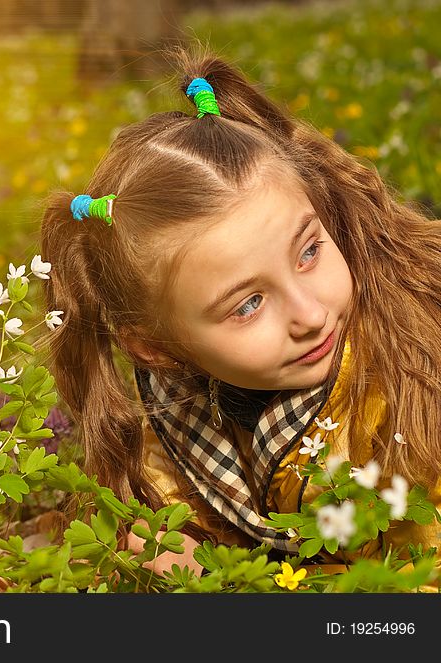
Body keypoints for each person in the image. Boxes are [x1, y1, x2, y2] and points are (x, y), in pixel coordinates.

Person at [37, 43, 441, 580]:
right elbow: (177, 505)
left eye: (309, 251)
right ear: (154, 349)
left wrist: (231, 584)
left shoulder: (411, 380)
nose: (311, 314)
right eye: (248, 305)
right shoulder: (173, 405)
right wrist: (170, 543)